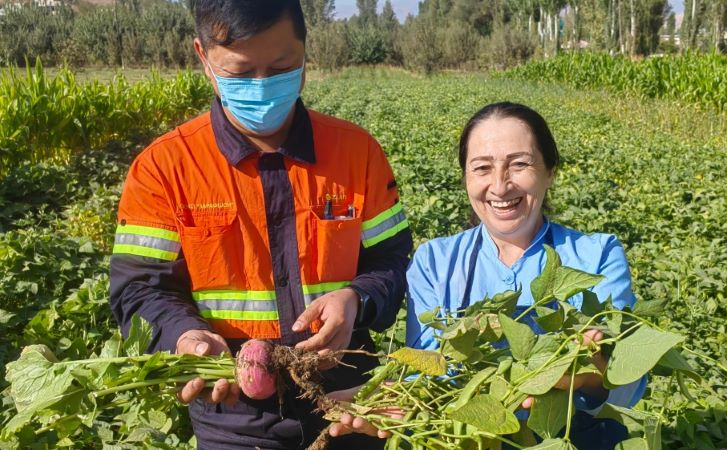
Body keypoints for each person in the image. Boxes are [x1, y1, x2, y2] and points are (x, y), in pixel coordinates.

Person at [108, 1, 412, 449]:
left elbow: (393, 261)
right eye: (242, 70)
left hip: (350, 401)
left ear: (305, 55)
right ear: (203, 58)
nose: (262, 85)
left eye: (281, 66)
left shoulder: (357, 153)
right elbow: (138, 289)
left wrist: (357, 298)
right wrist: (182, 335)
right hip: (232, 416)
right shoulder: (164, 167)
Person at [329, 102, 646, 450]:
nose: (499, 185)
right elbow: (428, 368)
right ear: (466, 177)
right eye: (482, 168)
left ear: (550, 171)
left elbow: (626, 382)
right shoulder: (435, 261)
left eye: (519, 164)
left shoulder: (597, 255)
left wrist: (586, 374)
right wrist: (404, 397)